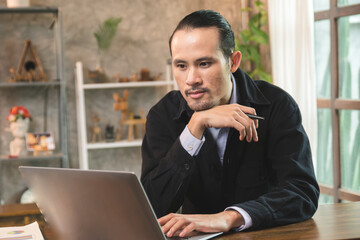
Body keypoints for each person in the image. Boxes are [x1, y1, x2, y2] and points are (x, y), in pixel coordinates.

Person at [141, 9, 319, 238]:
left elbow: (302, 192)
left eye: (204, 63)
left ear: (233, 62)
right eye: (181, 66)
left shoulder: (277, 105)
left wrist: (230, 217)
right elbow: (152, 205)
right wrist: (195, 127)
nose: (191, 79)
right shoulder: (162, 115)